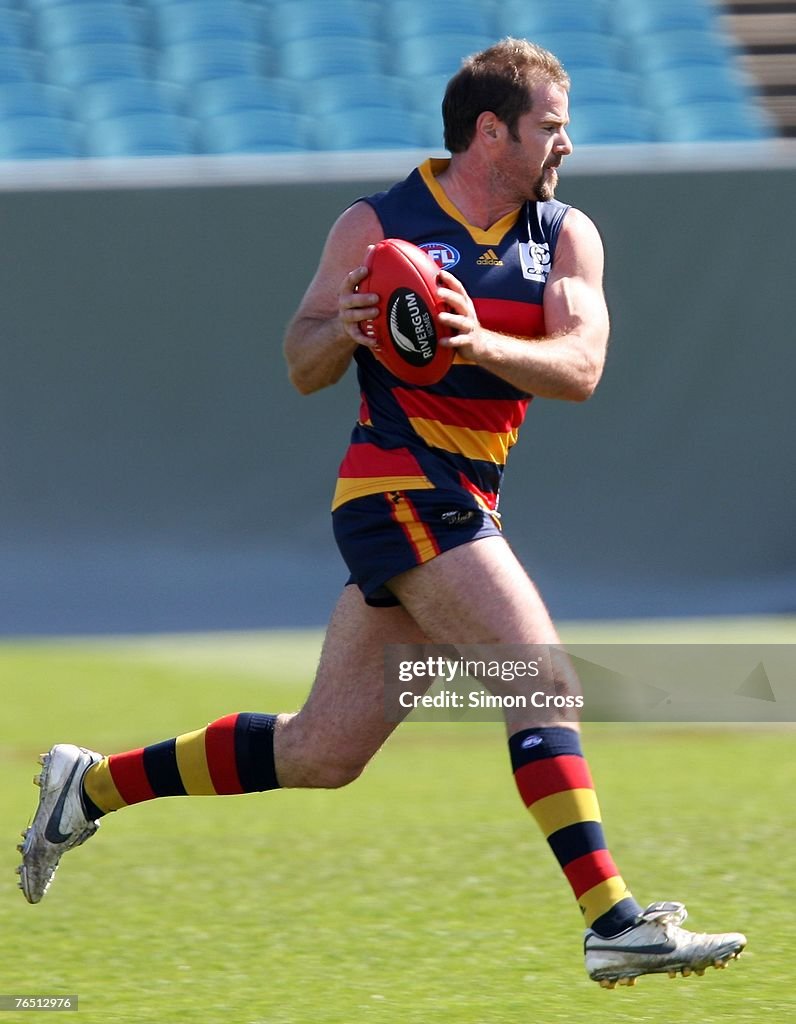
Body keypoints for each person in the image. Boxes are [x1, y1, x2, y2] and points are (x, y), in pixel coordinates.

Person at [18, 38, 745, 988]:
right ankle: (612, 922)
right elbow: (301, 358)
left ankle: (91, 783)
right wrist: (346, 327)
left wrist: (476, 338)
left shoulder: (566, 234)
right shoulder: (377, 223)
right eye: (552, 128)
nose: (567, 145)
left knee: (322, 749)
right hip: (395, 489)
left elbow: (583, 367)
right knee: (542, 681)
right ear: (493, 133)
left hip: (464, 497)